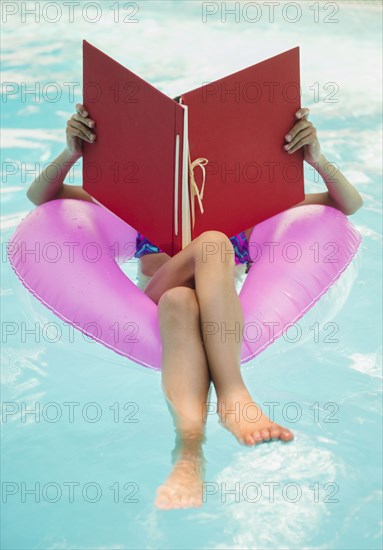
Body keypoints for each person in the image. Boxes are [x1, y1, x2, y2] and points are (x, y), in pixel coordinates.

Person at [26, 100, 364, 510]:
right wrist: (72, 152)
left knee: (181, 303)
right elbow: (41, 195)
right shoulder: (139, 203)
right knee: (213, 244)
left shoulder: (255, 211)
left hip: (195, 305)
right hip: (147, 300)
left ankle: (188, 452)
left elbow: (348, 203)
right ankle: (233, 394)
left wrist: (317, 158)